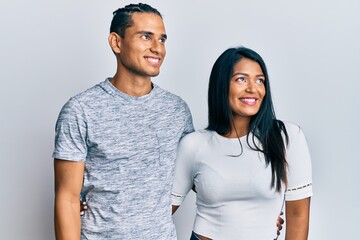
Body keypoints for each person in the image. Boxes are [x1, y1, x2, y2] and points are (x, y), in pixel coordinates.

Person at [53, 3, 194, 239]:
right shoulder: (80, 110)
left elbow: (204, 173)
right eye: (146, 36)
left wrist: (266, 208)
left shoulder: (177, 110)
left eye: (162, 39)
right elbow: (67, 198)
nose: (157, 48)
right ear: (116, 42)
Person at [171, 47, 312, 240]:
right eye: (241, 79)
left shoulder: (287, 137)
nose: (253, 88)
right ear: (221, 85)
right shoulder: (193, 145)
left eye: (260, 80)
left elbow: (298, 215)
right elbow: (158, 214)